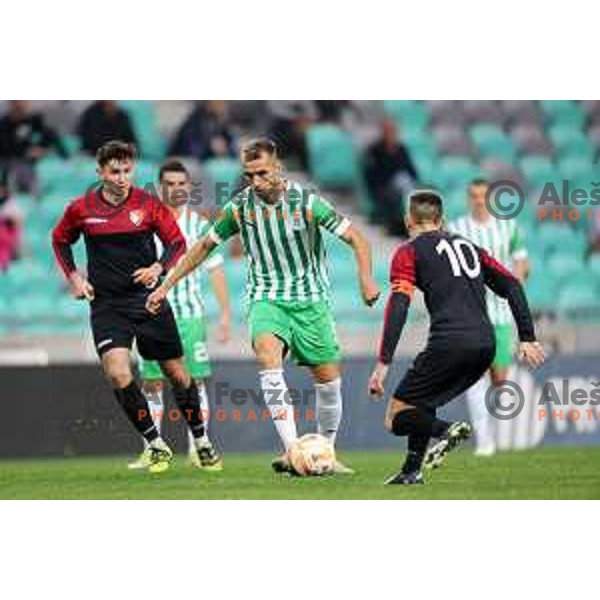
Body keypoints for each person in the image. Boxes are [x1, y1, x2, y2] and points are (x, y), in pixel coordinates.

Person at [147, 138, 381, 474]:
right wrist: (166, 285)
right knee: (268, 359)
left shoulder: (307, 203)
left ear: (278, 168)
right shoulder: (241, 207)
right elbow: (202, 247)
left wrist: (366, 278)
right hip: (266, 298)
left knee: (328, 382)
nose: (255, 181)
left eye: (261, 173)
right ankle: (293, 450)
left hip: (310, 299)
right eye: (248, 175)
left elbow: (357, 237)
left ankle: (326, 452)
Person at [52, 140, 220, 474]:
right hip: (107, 306)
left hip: (148, 302)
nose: (121, 177)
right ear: (100, 172)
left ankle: (201, 440)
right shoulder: (81, 209)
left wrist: (158, 268)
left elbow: (177, 242)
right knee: (117, 372)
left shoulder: (148, 204)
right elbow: (60, 240)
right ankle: (156, 444)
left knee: (177, 373)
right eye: (114, 171)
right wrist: (73, 276)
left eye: (127, 170)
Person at [368, 190, 544, 485]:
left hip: (450, 342)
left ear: (408, 220)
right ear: (442, 220)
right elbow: (512, 284)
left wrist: (383, 362)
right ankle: (412, 470)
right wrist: (527, 336)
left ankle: (446, 430)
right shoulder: (470, 247)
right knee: (423, 399)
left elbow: (399, 303)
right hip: (486, 344)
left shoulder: (408, 251)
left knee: (395, 417)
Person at [129, 159, 231, 470]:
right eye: (169, 184)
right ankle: (153, 448)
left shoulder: (200, 226)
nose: (176, 189)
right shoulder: (146, 224)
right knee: (152, 382)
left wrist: (225, 314)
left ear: (189, 188)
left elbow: (215, 271)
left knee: (196, 381)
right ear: (161, 188)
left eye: (181, 184)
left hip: (189, 315)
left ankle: (197, 449)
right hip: (152, 313)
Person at [449, 178, 530, 455]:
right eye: (473, 195)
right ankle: (484, 440)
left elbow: (521, 261)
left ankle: (492, 435)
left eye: (483, 195)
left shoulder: (508, 227)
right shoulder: (458, 229)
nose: (478, 200)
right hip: (473, 313)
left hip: (502, 314)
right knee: (475, 375)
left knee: (500, 380)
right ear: (468, 197)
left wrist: (514, 283)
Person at [364, 119, 418, 237]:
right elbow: (372, 174)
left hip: (403, 184)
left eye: (393, 131)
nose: (391, 134)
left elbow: (412, 170)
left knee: (407, 184)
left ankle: (413, 223)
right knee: (401, 188)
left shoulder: (402, 149)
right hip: (384, 185)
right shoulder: (375, 150)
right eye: (388, 131)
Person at [0, 100, 67, 192]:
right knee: (20, 168)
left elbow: (51, 136)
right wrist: (27, 152)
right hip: (13, 164)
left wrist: (45, 151)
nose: (21, 104)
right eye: (17, 101)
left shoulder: (34, 121)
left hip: (35, 163)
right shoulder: (4, 125)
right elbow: (6, 149)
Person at [168, 101, 236, 160]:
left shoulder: (220, 119)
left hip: (204, 160)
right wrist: (210, 146)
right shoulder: (195, 119)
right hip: (183, 157)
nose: (223, 106)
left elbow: (228, 141)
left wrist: (228, 147)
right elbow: (192, 147)